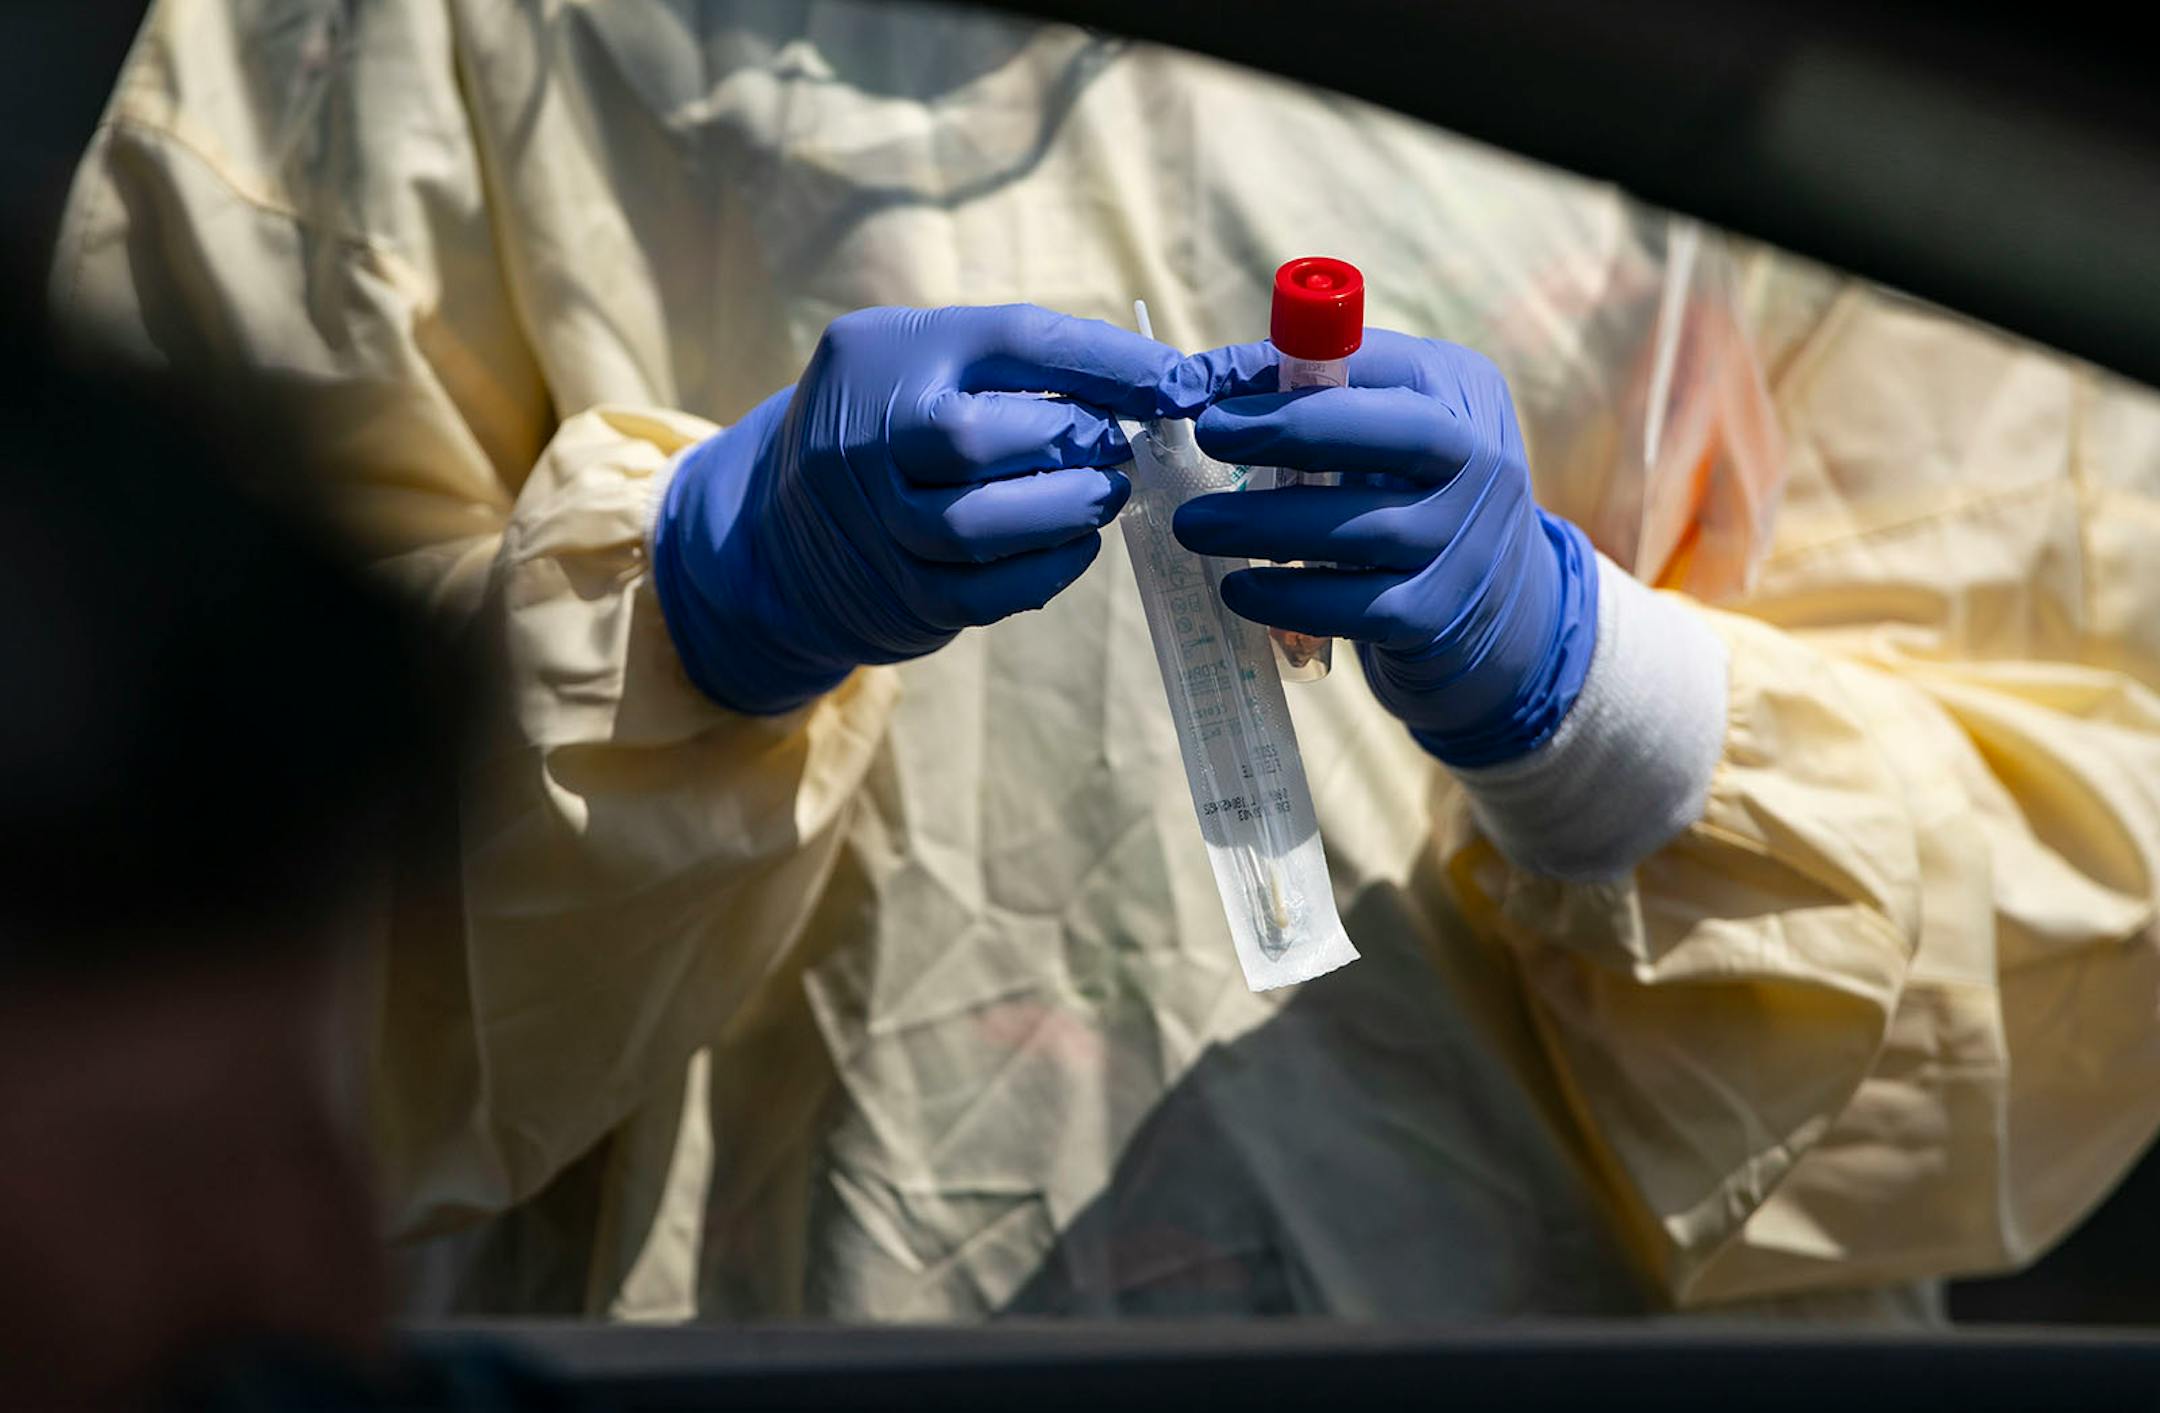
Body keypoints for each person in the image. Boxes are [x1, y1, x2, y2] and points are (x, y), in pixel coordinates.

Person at [50, 1, 2160, 1323]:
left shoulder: (1779, 57)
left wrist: (1594, 694)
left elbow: (2092, 860)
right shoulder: (417, 28)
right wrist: (690, 606)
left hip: (1552, 1345)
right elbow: (142, 869)